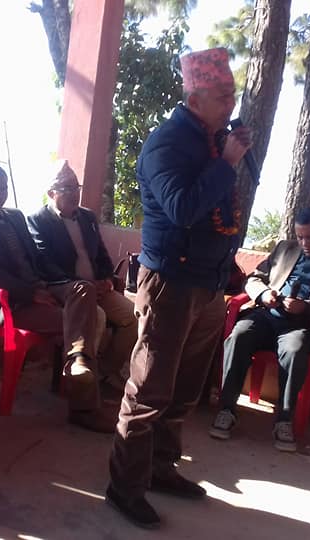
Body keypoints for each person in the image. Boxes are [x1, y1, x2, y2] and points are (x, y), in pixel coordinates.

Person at [105, 47, 253, 529]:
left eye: (232, 94)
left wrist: (227, 157)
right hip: (171, 282)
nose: (231, 103)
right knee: (150, 390)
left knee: (184, 390)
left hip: (208, 283)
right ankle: (124, 487)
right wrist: (226, 163)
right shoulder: (167, 143)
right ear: (194, 99)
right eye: (223, 95)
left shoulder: (212, 140)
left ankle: (161, 469)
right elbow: (183, 208)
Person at [0, 161, 114, 433]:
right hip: (10, 304)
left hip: (40, 288)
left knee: (82, 289)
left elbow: (36, 257)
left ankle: (77, 360)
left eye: (4, 188)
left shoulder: (15, 217)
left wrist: (51, 285)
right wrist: (32, 293)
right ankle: (84, 408)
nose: (0, 194)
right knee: (89, 320)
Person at [209, 207, 310, 450]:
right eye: (300, 237)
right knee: (238, 335)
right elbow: (254, 278)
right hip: (266, 316)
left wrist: (307, 307)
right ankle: (226, 409)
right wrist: (264, 294)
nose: (304, 243)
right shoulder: (285, 248)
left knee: (294, 350)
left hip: (299, 326)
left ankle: (284, 419)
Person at [27, 160, 136, 400]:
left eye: (76, 187)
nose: (74, 193)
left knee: (134, 317)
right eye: (67, 189)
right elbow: (46, 264)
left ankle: (102, 373)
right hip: (66, 289)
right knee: (97, 318)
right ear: (51, 193)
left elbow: (102, 254)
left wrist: (106, 278)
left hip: (98, 287)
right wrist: (84, 284)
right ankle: (79, 389)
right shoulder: (38, 220)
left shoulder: (87, 217)